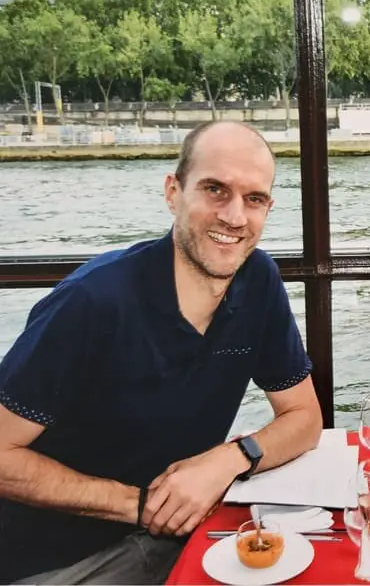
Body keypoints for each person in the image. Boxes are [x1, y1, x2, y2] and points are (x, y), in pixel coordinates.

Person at [0, 120, 323, 584]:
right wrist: (141, 504)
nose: (234, 217)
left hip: (186, 535)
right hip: (59, 561)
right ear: (173, 192)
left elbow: (304, 417)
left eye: (253, 199)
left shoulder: (258, 280)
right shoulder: (92, 302)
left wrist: (230, 458)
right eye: (215, 189)